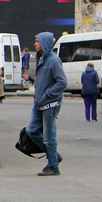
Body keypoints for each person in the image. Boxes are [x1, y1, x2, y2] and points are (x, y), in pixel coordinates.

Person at [29, 31, 66, 176]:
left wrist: (48, 94)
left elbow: (62, 82)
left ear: (44, 43)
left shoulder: (54, 60)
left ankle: (53, 166)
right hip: (39, 104)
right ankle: (54, 156)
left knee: (49, 137)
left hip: (50, 104)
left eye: (37, 41)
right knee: (31, 130)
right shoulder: (41, 58)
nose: (35, 44)